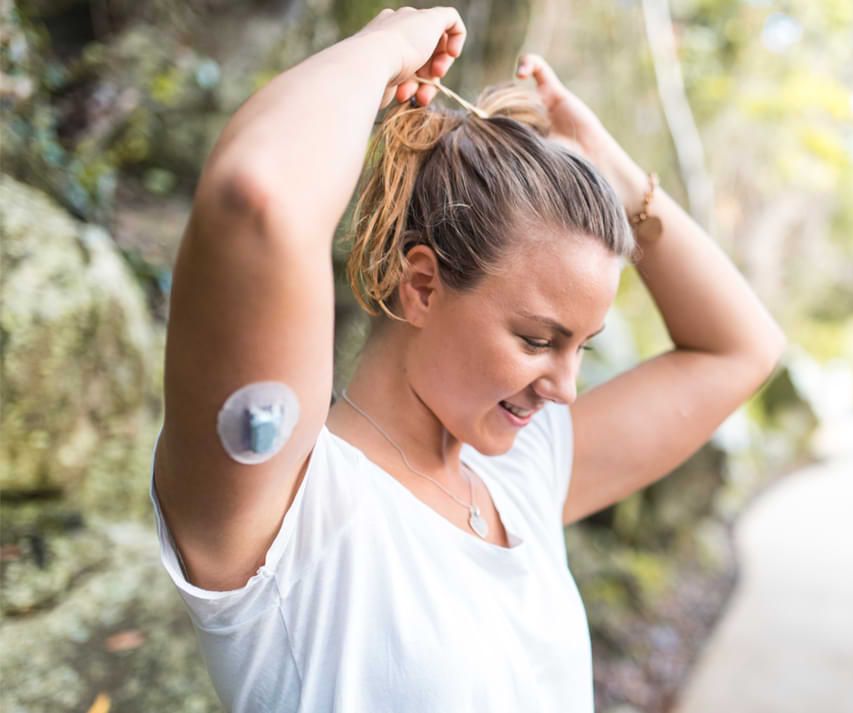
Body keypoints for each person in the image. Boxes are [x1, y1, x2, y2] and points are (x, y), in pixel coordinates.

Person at [148, 5, 785, 712]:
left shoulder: (521, 472)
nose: (566, 388)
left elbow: (743, 349)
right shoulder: (286, 507)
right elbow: (257, 195)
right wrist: (385, 45)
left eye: (581, 346)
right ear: (422, 286)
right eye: (538, 339)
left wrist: (617, 177)